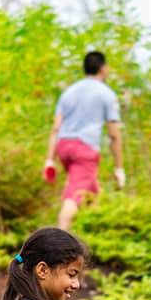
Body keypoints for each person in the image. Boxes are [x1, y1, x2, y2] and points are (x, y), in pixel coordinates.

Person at [43, 51, 125, 231]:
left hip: (63, 147)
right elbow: (114, 135)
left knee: (92, 192)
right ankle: (58, 248)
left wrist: (49, 159)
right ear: (103, 69)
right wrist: (119, 168)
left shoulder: (68, 92)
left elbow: (56, 128)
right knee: (74, 196)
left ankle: (95, 239)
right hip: (84, 150)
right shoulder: (106, 94)